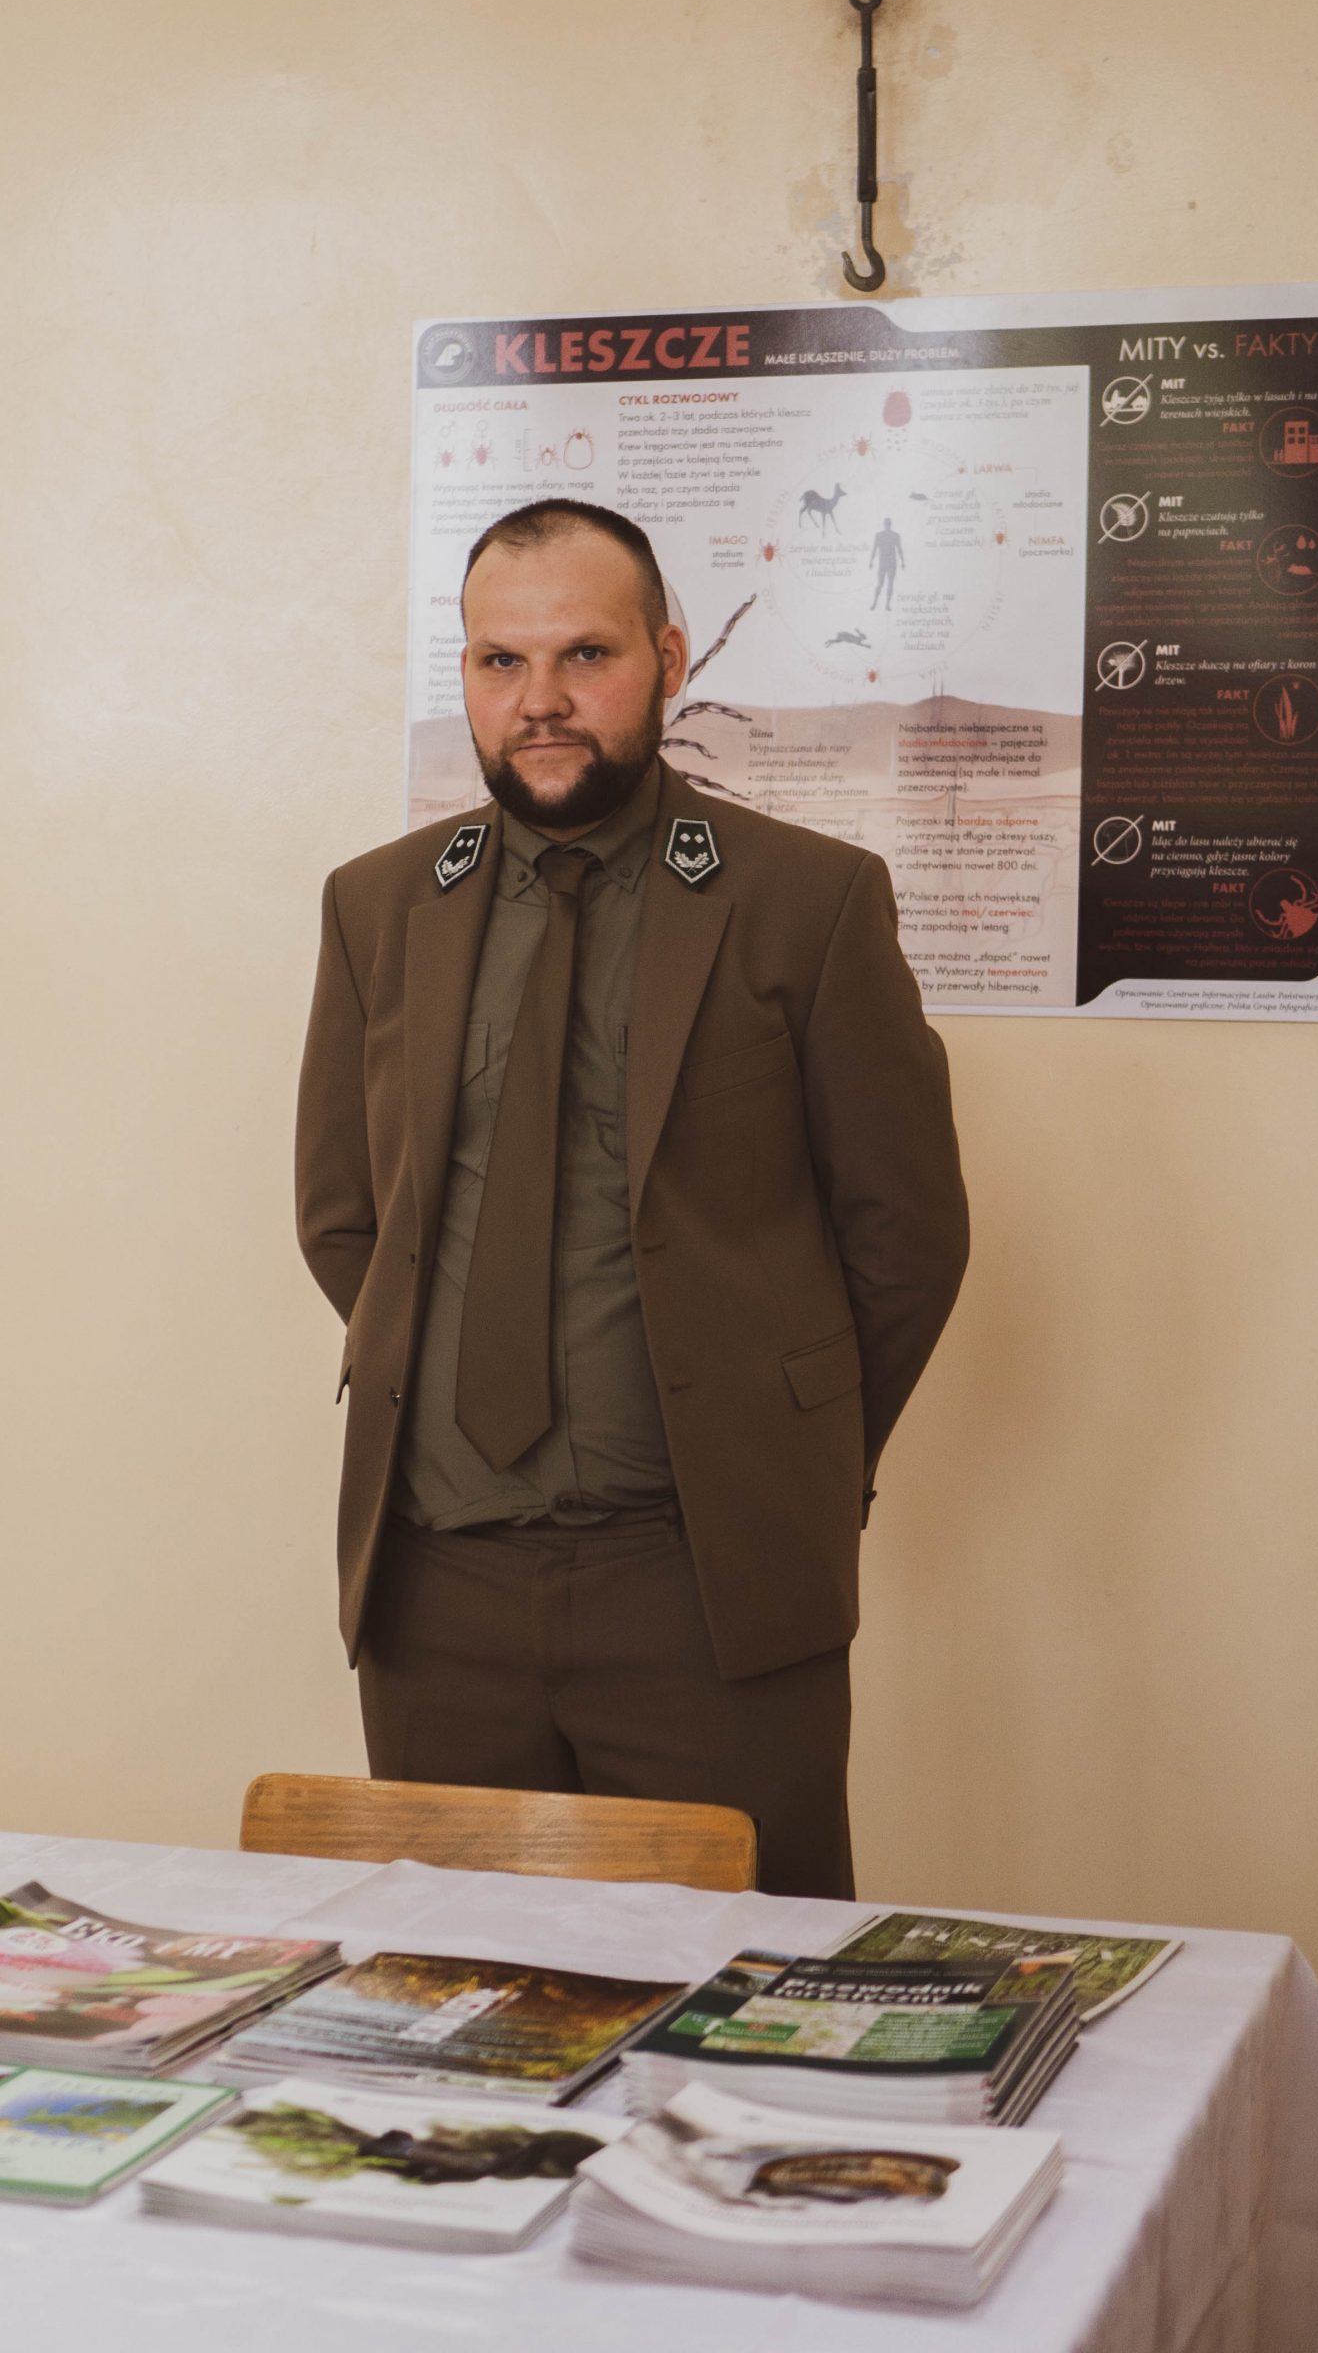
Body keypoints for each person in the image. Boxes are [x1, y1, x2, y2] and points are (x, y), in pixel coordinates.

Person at [295, 499, 967, 1895]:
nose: (539, 701)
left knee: (749, 1984)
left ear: (666, 658)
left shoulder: (806, 902)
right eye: (500, 661)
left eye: (584, 656)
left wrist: (783, 1446)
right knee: (463, 1987)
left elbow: (905, 1239)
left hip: (706, 1588)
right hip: (437, 1591)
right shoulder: (378, 906)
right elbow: (346, 1214)